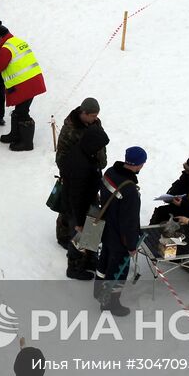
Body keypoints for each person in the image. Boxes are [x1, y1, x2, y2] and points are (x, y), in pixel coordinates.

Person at [55, 98, 108, 281]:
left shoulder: (94, 129)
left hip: (88, 183)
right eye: (92, 115)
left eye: (96, 116)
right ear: (83, 113)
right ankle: (76, 264)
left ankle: (89, 257)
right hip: (77, 183)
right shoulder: (71, 130)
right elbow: (62, 155)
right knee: (79, 226)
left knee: (91, 222)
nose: (94, 119)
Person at [94, 146, 146, 317]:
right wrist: (131, 245)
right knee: (118, 271)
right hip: (120, 237)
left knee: (104, 260)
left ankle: (98, 290)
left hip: (105, 228)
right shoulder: (130, 190)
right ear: (140, 164)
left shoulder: (109, 173)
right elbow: (129, 222)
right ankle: (110, 303)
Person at [0, 25, 45, 151]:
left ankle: (27, 143)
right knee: (19, 110)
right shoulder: (17, 42)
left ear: (0, 37)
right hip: (30, 81)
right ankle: (15, 135)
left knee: (22, 112)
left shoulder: (7, 48)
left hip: (26, 83)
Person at [149, 154, 189, 224]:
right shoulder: (188, 175)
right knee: (161, 212)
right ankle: (148, 233)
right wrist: (171, 196)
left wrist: (183, 203)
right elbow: (178, 186)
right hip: (185, 207)